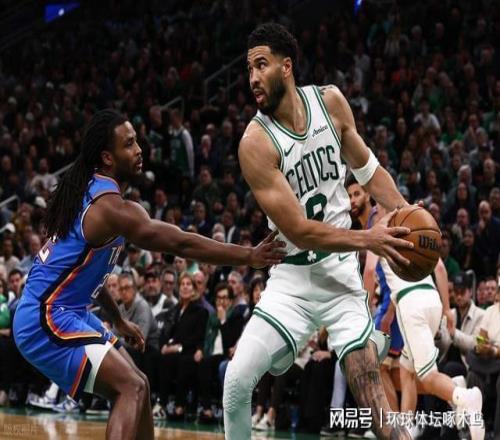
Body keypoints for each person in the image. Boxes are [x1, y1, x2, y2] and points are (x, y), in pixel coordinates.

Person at [12, 109, 285, 440]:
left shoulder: (91, 192)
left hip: (63, 309)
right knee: (130, 388)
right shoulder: (110, 209)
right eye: (129, 144)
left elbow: (86, 275)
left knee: (140, 384)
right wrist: (249, 255)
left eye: (137, 141)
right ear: (107, 157)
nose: (139, 150)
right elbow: (182, 242)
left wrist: (118, 320)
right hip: (45, 317)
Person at [224, 23, 419, 440]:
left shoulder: (330, 102)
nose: (253, 77)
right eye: (249, 69)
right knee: (236, 382)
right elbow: (299, 229)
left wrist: (406, 211)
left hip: (340, 277)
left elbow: (368, 171)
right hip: (291, 280)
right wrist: (368, 238)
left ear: (287, 66)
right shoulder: (255, 143)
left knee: (375, 404)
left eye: (262, 65)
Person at [373, 205, 484, 440]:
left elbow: (367, 275)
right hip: (432, 299)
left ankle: (462, 395)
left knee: (427, 376)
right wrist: (447, 310)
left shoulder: (377, 236)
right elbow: (440, 268)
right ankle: (404, 430)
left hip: (411, 305)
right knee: (407, 371)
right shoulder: (412, 229)